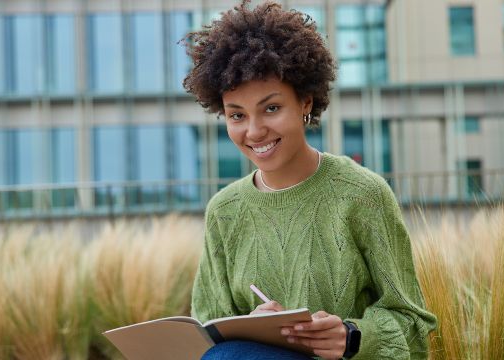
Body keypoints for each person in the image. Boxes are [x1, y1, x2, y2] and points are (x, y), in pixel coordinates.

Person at [183, 1, 437, 359]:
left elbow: (413, 324)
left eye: (271, 108)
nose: (254, 132)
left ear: (305, 102)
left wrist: (352, 337)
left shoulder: (362, 194)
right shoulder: (224, 211)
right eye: (236, 115)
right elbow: (208, 330)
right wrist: (252, 327)